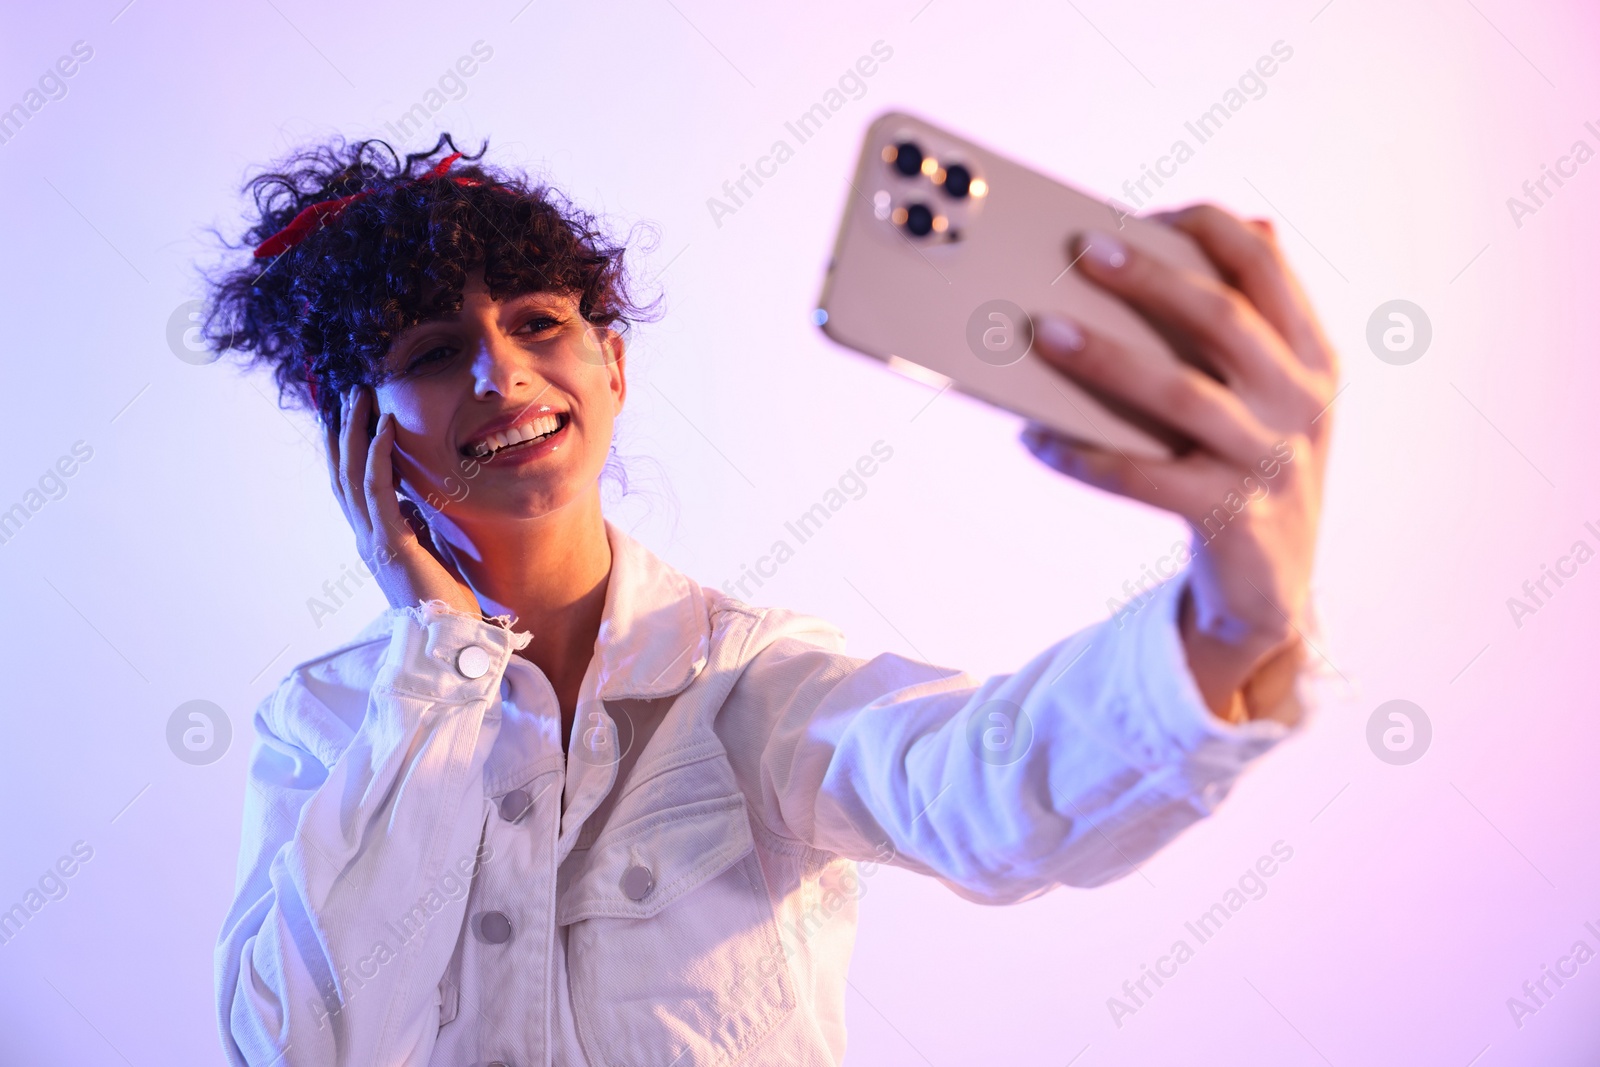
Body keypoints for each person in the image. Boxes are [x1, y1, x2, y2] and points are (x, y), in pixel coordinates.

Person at [205, 134, 1337, 1066]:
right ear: (358, 433)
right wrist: (441, 657)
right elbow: (299, 1045)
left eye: (538, 323)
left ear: (613, 363)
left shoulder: (748, 680)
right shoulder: (325, 724)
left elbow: (983, 790)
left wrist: (1235, 618)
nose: (503, 374)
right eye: (439, 349)